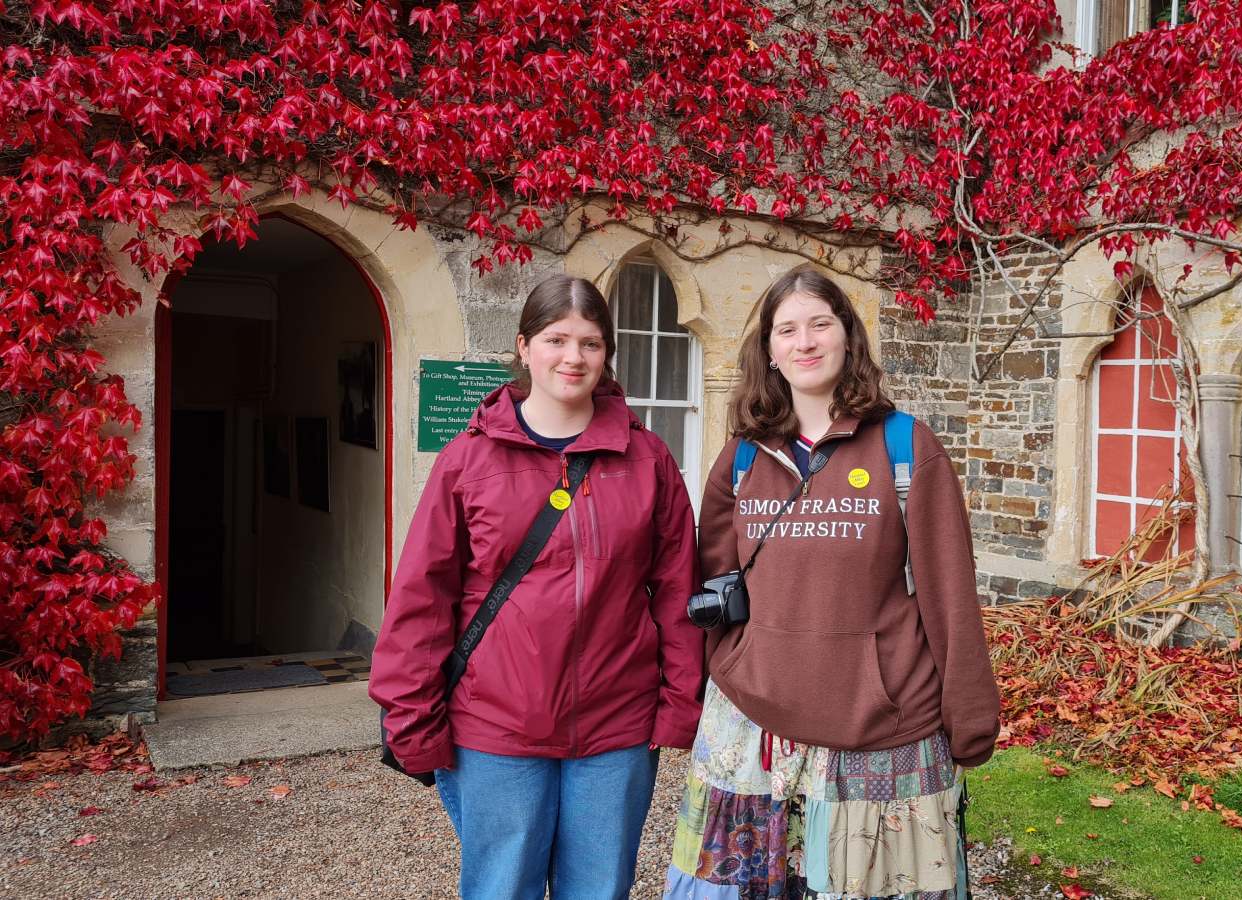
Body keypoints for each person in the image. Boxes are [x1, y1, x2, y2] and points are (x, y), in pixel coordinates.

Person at [665, 266, 1001, 899]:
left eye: (820, 324)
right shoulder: (742, 455)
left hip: (878, 727)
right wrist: (732, 662)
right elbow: (715, 580)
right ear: (769, 350)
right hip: (754, 732)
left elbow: (950, 595)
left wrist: (970, 715)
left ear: (848, 335)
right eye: (787, 329)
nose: (805, 341)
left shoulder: (905, 446)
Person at [370, 273, 704, 900]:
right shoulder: (468, 459)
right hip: (496, 725)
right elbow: (423, 598)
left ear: (606, 355)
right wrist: (410, 713)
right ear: (524, 347)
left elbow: (678, 591)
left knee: (599, 890)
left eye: (590, 343)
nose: (573, 357)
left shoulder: (648, 460)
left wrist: (681, 702)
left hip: (616, 725)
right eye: (556, 339)